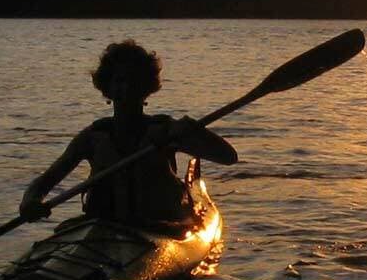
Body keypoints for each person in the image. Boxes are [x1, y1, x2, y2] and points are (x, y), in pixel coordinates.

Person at [19, 40, 237, 227]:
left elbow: (228, 157)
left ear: (147, 87)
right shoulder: (92, 137)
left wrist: (192, 129)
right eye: (120, 81)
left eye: (135, 81)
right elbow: (43, 183)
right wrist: (30, 202)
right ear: (108, 88)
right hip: (104, 227)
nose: (127, 88)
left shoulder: (166, 130)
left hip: (163, 228)